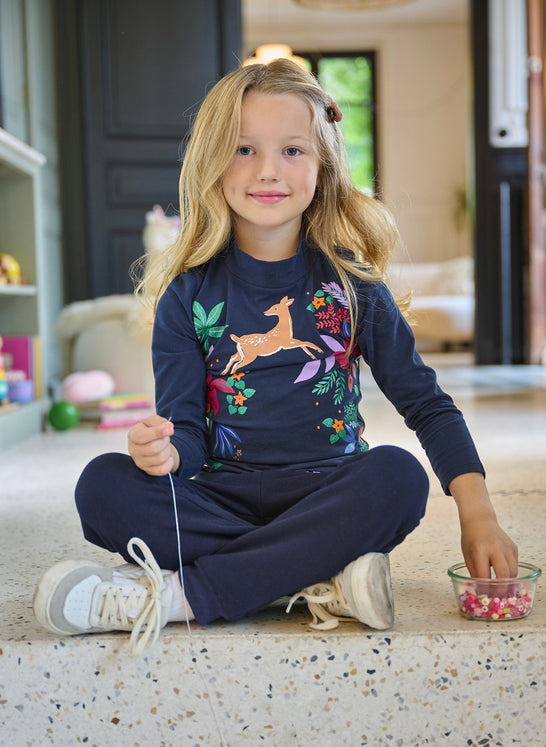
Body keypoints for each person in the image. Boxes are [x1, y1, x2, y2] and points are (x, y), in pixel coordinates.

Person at [34, 60, 518, 656]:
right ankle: (310, 574)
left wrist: (479, 514)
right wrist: (160, 453)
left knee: (398, 477)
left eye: (292, 150)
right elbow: (187, 435)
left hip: (329, 491)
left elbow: (427, 405)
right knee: (102, 487)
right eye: (243, 149)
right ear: (212, 160)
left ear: (324, 167)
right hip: (221, 495)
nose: (267, 170)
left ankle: (183, 596)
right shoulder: (186, 297)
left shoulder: (353, 287)